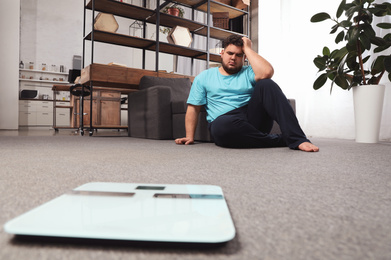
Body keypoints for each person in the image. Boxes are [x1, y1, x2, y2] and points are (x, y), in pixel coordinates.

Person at [175, 35, 319, 152]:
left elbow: (267, 72)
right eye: (230, 53)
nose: (233, 58)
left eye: (239, 55)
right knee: (221, 126)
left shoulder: (249, 72)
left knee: (266, 83)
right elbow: (193, 108)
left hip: (252, 117)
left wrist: (248, 49)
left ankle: (297, 138)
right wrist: (189, 136)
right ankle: (282, 139)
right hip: (226, 122)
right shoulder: (204, 77)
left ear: (244, 58)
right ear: (222, 54)